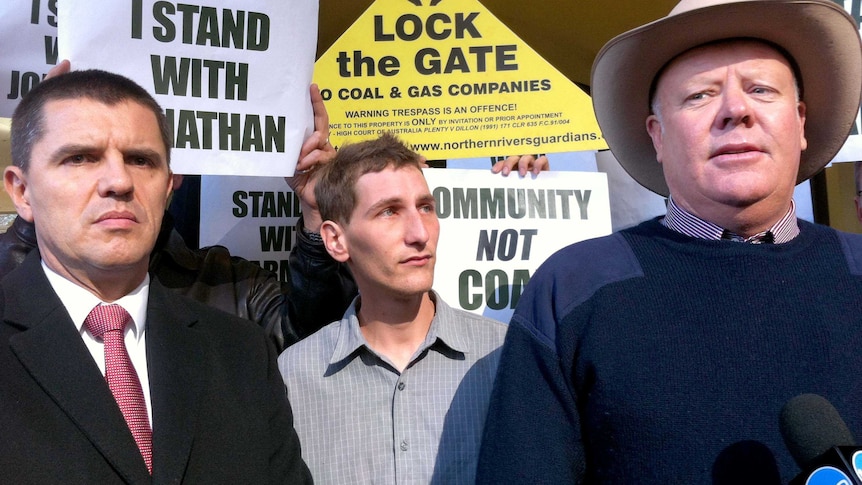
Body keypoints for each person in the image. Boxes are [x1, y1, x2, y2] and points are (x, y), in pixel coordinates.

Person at [476, 0, 862, 482]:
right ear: (657, 136)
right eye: (699, 96)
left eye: (761, 89)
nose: (736, 110)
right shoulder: (574, 289)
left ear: (801, 121)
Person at [0, 69, 311, 482]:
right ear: (21, 191)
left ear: (169, 185)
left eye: (140, 160)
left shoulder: (241, 352)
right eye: (80, 157)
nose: (119, 182)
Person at [278, 133, 507, 484]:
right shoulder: (293, 376)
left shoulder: (504, 355)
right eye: (389, 211)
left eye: (426, 207)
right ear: (336, 240)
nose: (419, 233)